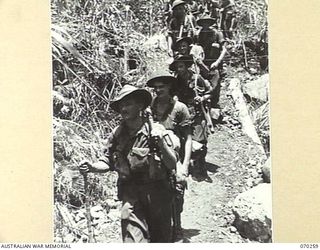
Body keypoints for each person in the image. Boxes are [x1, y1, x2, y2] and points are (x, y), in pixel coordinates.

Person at [79, 84, 178, 243]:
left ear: (140, 106)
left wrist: (161, 144)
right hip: (131, 195)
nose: (123, 108)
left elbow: (172, 164)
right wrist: (92, 167)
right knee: (132, 241)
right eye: (121, 105)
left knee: (161, 240)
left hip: (158, 194)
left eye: (128, 103)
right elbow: (108, 161)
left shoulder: (156, 131)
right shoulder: (117, 134)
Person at [146, 71, 193, 239]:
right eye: (156, 88)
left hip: (176, 156)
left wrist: (185, 165)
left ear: (170, 87)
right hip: (155, 154)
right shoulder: (150, 106)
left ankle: (177, 225)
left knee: (177, 191)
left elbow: (188, 138)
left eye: (162, 87)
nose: (158, 90)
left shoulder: (180, 108)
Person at [169, 55, 213, 183]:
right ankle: (186, 165)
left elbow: (210, 91)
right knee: (183, 139)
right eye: (177, 67)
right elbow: (172, 93)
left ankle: (200, 167)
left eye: (181, 66)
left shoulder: (197, 78)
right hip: (183, 114)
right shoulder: (176, 81)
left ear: (186, 66)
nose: (180, 69)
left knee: (200, 141)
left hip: (197, 113)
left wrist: (202, 98)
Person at [195, 15, 227, 111]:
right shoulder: (199, 34)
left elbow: (224, 50)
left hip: (215, 63)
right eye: (203, 23)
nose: (205, 25)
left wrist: (217, 62)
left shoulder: (217, 34)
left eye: (207, 22)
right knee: (202, 84)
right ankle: (203, 102)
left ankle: (214, 103)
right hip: (203, 63)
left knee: (215, 85)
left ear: (210, 23)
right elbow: (196, 48)